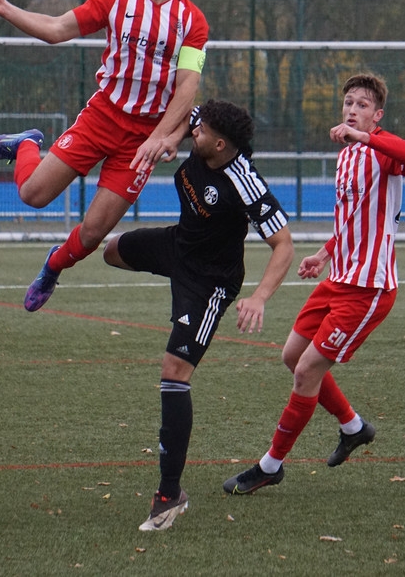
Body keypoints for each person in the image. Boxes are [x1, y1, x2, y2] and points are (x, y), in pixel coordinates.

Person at [0, 0, 209, 312]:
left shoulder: (192, 20)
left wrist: (159, 138)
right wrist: (6, 9)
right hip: (102, 118)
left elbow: (187, 87)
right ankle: (26, 144)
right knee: (32, 194)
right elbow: (55, 29)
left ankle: (53, 266)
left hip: (142, 139)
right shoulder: (116, 3)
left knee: (94, 233)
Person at [221, 73, 405, 496]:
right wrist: (324, 253)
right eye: (349, 102)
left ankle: (270, 466)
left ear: (377, 115)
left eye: (363, 105)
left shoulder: (381, 150)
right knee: (292, 356)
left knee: (307, 371)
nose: (352, 109)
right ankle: (353, 427)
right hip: (338, 279)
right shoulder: (346, 155)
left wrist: (365, 137)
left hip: (368, 288)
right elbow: (352, 218)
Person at [103, 99, 294, 531]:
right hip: (179, 246)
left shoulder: (245, 182)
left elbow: (284, 245)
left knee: (174, 372)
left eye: (201, 132)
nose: (194, 132)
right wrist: (169, 138)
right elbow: (181, 112)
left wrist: (260, 297)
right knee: (111, 250)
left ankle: (169, 495)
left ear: (221, 144)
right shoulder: (200, 129)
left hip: (209, 282)